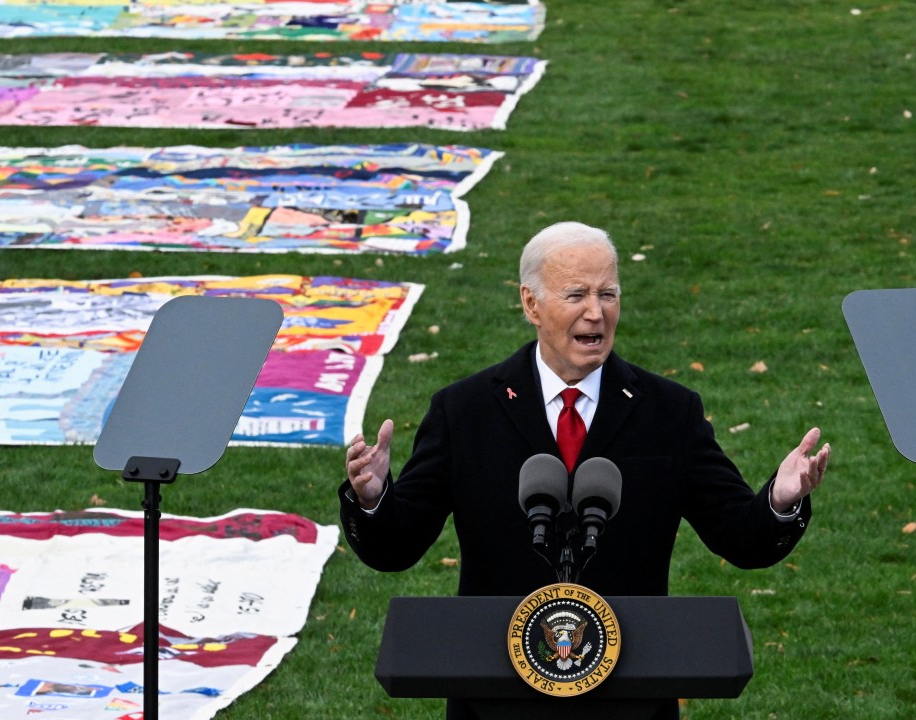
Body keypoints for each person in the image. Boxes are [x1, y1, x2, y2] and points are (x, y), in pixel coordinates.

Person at [338, 221, 830, 714]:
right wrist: (374, 498)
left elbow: (738, 536)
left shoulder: (668, 412)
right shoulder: (465, 411)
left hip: (630, 698)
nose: (596, 313)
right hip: (497, 698)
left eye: (608, 293)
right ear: (531, 304)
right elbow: (396, 547)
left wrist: (780, 501)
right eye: (576, 294)